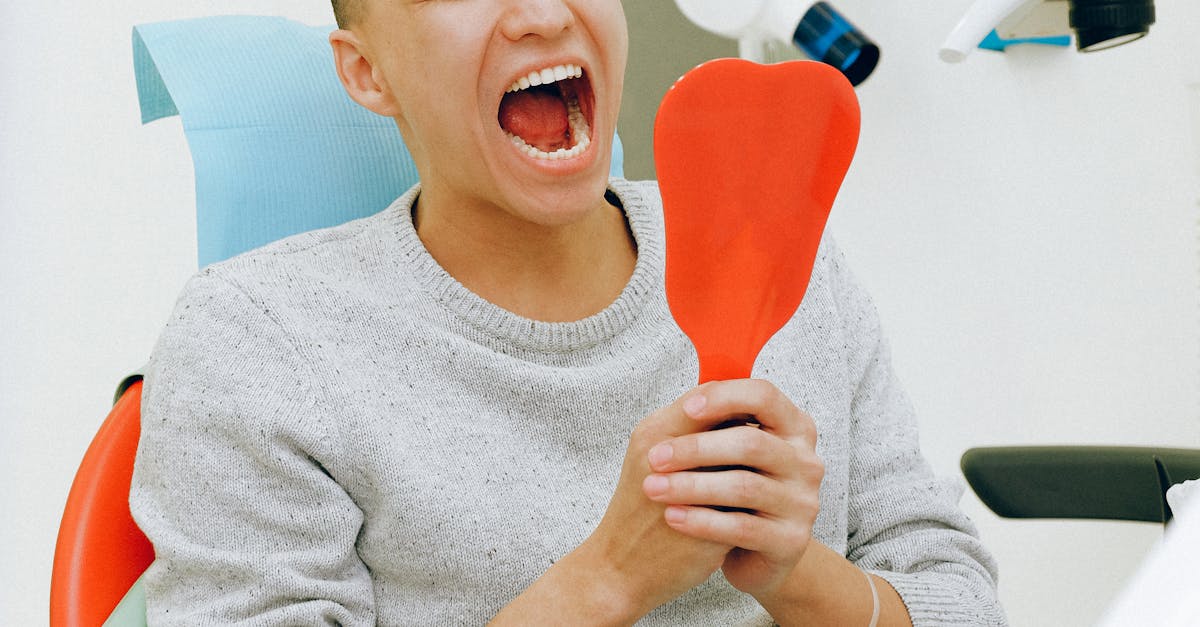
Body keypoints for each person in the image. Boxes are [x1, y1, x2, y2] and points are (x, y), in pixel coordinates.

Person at [129, 1, 1007, 625]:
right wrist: (608, 580)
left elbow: (960, 598)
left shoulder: (786, 259)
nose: (542, 14)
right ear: (368, 72)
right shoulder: (256, 342)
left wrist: (799, 576)